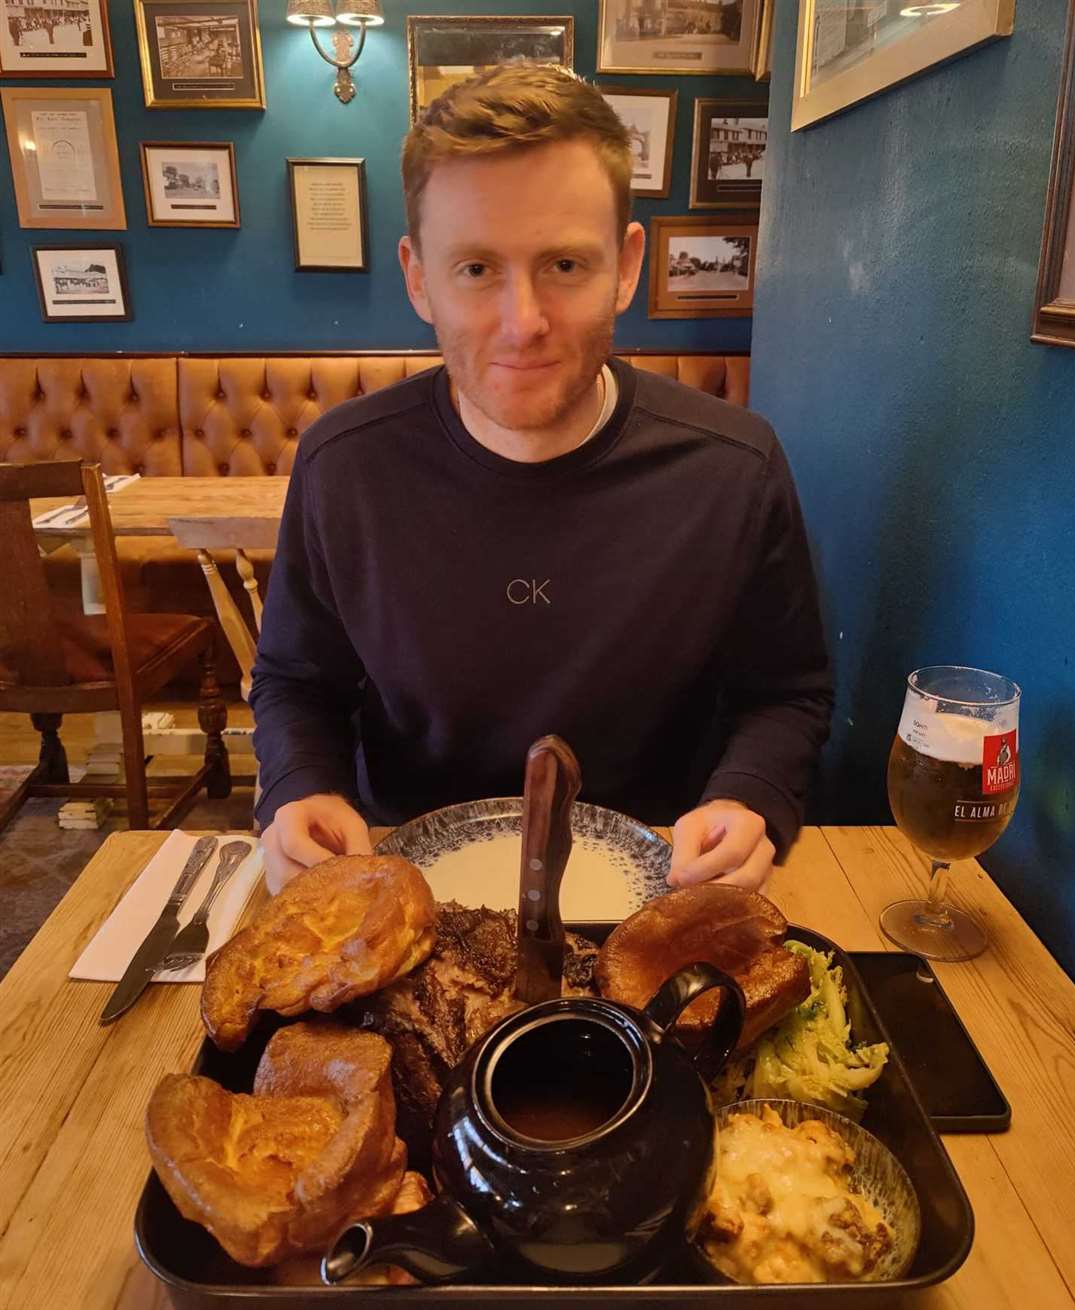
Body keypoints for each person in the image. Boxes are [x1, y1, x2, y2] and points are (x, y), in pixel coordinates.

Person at [251, 64, 832, 897]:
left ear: (625, 266)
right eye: (476, 269)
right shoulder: (344, 464)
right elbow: (295, 682)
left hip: (663, 885)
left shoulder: (734, 467)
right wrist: (300, 784)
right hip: (401, 885)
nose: (523, 322)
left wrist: (751, 797)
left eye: (564, 264)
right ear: (419, 277)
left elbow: (786, 691)